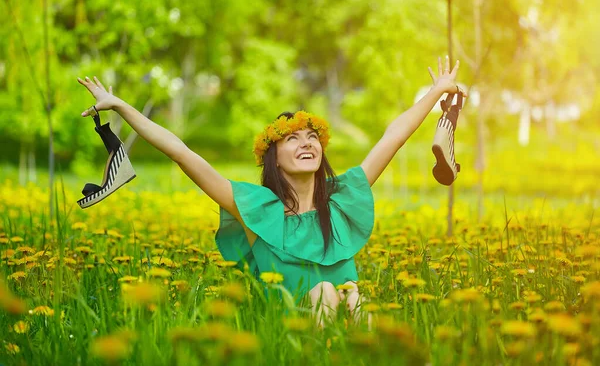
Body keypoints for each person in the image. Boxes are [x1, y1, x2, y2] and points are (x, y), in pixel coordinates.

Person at [77, 55, 466, 329]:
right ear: (273, 158)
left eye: (312, 137)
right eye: (292, 139)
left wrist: (436, 93)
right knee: (326, 292)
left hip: (352, 325)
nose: (306, 143)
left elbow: (392, 138)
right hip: (293, 333)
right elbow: (181, 151)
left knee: (350, 295)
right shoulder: (256, 210)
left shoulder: (341, 201)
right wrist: (121, 107)